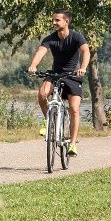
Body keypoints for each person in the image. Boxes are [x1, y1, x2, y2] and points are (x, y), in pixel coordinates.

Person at [26, 9, 90, 157]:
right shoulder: (51, 38)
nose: (54, 22)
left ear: (66, 22)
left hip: (73, 75)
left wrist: (83, 68)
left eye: (57, 20)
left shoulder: (76, 37)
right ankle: (48, 120)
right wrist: (33, 65)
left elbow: (86, 52)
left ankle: (72, 144)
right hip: (55, 74)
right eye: (53, 20)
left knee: (74, 108)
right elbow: (41, 51)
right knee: (42, 94)